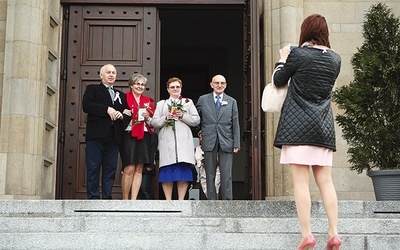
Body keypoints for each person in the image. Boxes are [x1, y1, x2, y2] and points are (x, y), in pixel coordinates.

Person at [272, 14, 342, 250]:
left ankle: (307, 234)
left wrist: (282, 59)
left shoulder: (297, 55)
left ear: (305, 31)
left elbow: (279, 80)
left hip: (297, 127)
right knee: (326, 181)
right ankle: (333, 233)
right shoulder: (335, 59)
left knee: (301, 182)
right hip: (322, 127)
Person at [82, 64, 129, 199]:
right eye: (108, 72)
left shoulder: (121, 95)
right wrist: (107, 109)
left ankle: (107, 198)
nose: (111, 75)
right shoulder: (93, 89)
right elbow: (87, 105)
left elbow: (127, 114)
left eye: (113, 72)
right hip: (96, 136)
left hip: (114, 138)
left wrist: (122, 116)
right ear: (101, 75)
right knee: (93, 169)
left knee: (110, 170)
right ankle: (94, 198)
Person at [150, 77, 200, 200]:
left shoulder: (188, 103)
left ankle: (181, 200)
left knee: (183, 173)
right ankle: (168, 201)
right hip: (167, 142)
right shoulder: (161, 104)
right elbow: (154, 122)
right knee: (167, 172)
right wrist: (165, 118)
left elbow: (196, 120)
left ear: (181, 88)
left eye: (178, 87)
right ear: (168, 89)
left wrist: (182, 115)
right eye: (172, 87)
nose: (175, 89)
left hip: (184, 142)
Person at [196, 74, 240, 200]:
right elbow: (196, 119)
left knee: (226, 173)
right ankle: (211, 200)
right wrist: (200, 133)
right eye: (217, 83)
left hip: (226, 140)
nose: (219, 85)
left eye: (222, 83)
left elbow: (235, 123)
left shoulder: (232, 101)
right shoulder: (203, 100)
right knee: (209, 173)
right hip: (209, 139)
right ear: (212, 84)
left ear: (226, 85)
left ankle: (227, 201)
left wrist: (236, 143)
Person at [119, 73, 155, 200]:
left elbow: (152, 122)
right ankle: (125, 199)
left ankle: (133, 200)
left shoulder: (148, 101)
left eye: (142, 85)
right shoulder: (124, 98)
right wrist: (123, 112)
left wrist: (148, 117)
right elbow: (119, 114)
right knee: (129, 168)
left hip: (144, 135)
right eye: (137, 84)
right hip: (128, 134)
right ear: (131, 85)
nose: (140, 87)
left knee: (139, 169)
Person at [194, 130, 221, 199]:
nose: (200, 139)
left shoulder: (214, 148)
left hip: (215, 172)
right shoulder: (197, 149)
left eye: (202, 137)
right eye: (199, 137)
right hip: (203, 174)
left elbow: (220, 160)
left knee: (215, 190)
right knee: (206, 192)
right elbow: (194, 161)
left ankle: (217, 207)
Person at [138, 132, 158, 200]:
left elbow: (154, 150)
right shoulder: (136, 133)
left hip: (147, 166)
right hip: (136, 164)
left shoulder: (152, 135)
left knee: (145, 188)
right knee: (138, 190)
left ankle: (153, 206)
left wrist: (152, 164)